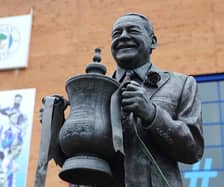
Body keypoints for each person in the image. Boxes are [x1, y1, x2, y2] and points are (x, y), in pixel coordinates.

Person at [41, 13, 204, 187]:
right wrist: (56, 126)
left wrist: (151, 114)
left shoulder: (180, 84)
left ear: (153, 42)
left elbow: (192, 150)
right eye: (116, 34)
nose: (124, 36)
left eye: (133, 30)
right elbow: (75, 162)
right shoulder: (91, 90)